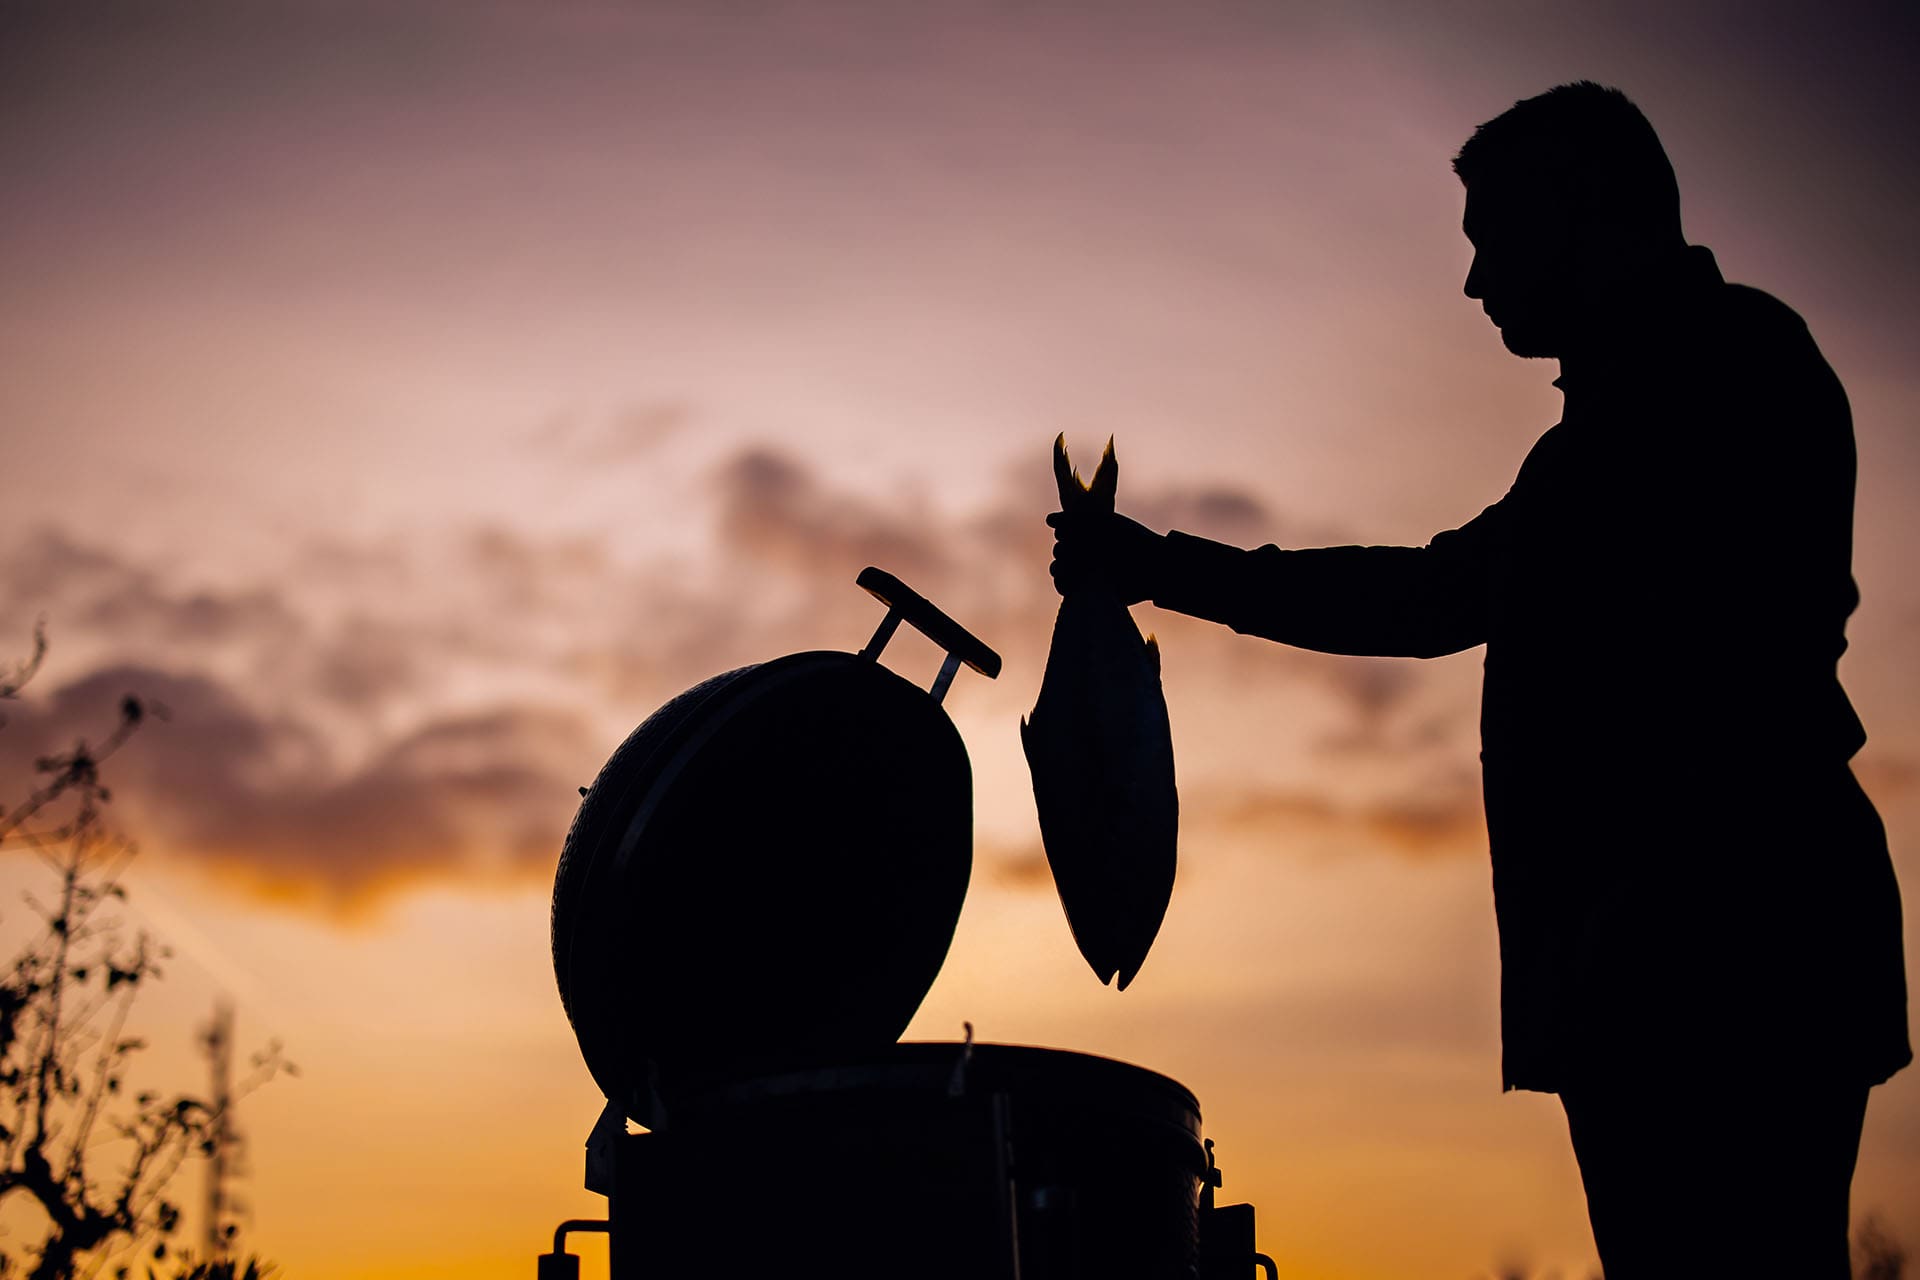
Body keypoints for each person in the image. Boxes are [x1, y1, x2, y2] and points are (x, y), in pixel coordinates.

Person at [1047, 82, 1909, 1277]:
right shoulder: (1668, 394)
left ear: (1585, 211)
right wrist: (1160, 570)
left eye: (1491, 237)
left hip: (1708, 970)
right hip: (1698, 963)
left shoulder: (1702, 378)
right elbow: (1456, 594)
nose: (1473, 282)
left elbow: (1437, 597)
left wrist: (1161, 569)